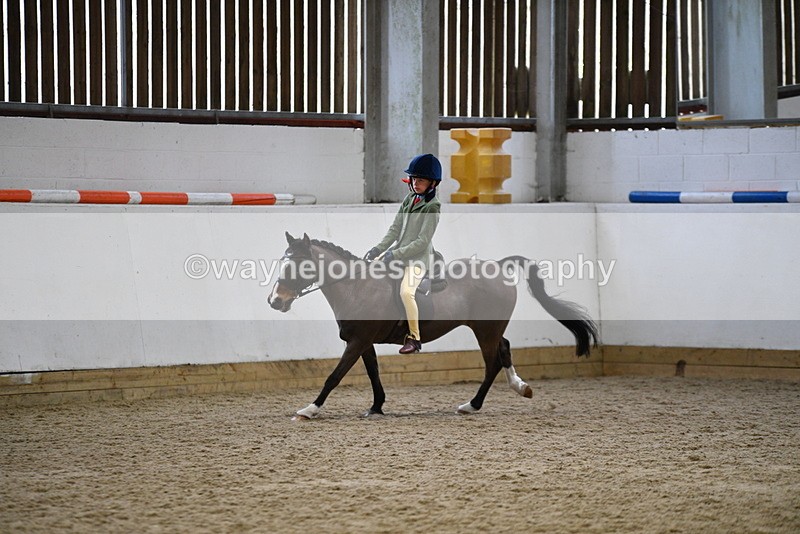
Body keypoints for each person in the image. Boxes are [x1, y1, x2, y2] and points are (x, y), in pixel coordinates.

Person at [365, 153, 442, 354]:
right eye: (414, 179)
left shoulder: (433, 206)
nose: (416, 183)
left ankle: (414, 338)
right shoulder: (409, 199)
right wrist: (378, 249)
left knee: (406, 292)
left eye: (421, 180)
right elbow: (394, 229)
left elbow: (422, 242)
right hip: (398, 252)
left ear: (432, 183)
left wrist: (395, 255)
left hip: (418, 259)